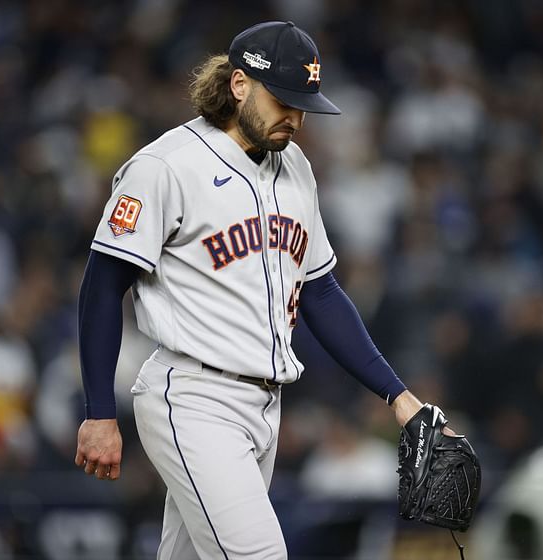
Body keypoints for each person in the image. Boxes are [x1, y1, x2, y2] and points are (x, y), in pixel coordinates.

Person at [74, 21, 448, 559]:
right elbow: (102, 288)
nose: (295, 118)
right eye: (283, 101)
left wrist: (398, 395)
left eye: (303, 105)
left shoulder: (295, 166)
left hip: (265, 406)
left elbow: (319, 293)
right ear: (240, 85)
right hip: (194, 396)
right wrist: (99, 411)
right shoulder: (166, 166)